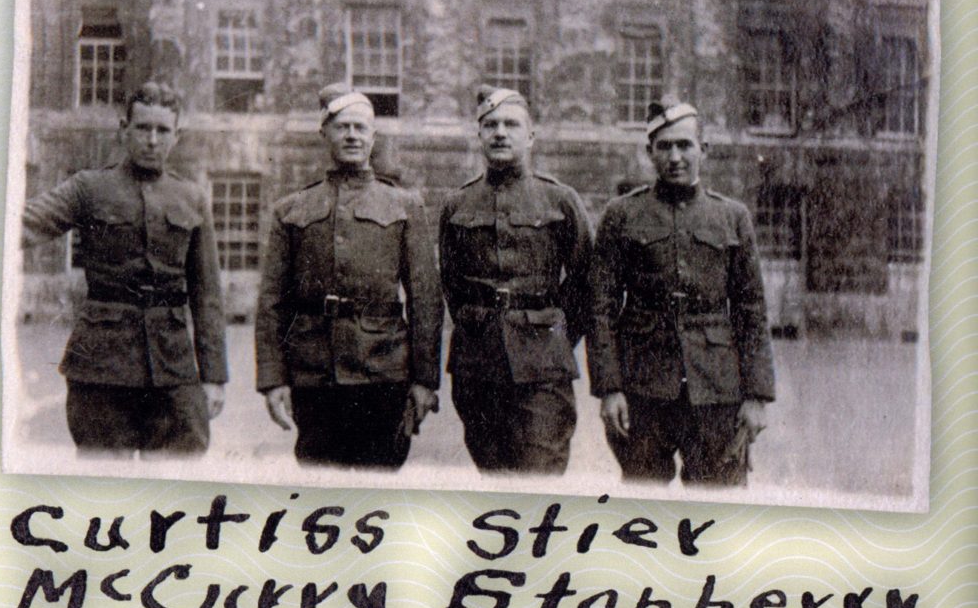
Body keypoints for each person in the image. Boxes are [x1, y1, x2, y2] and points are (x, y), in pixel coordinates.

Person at [21, 82, 228, 456]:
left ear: (176, 136)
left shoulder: (192, 198)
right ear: (123, 129)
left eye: (162, 130)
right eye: (143, 128)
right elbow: (23, 224)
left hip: (172, 367)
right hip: (101, 366)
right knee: (101, 483)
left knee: (177, 481)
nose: (152, 140)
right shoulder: (89, 188)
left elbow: (207, 295)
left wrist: (214, 377)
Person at [255, 84, 443, 469]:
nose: (352, 136)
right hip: (314, 377)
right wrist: (273, 380)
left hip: (384, 374)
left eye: (361, 127)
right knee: (319, 488)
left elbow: (425, 299)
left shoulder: (405, 205)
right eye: (342, 127)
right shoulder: (291, 209)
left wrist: (425, 381)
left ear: (374, 136)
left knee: (380, 486)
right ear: (324, 133)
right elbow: (272, 301)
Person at [587, 101, 775, 485]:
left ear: (703, 150)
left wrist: (757, 396)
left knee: (717, 503)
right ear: (650, 152)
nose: (675, 157)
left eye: (685, 145)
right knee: (641, 501)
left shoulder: (732, 217)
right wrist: (609, 389)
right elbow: (600, 308)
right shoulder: (621, 215)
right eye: (665, 146)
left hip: (716, 390)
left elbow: (751, 309)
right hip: (643, 389)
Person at [439, 86, 593, 475]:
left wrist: (552, 335)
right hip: (477, 366)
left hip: (543, 368)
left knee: (540, 474)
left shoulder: (560, 201)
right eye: (490, 125)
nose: (500, 133)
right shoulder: (457, 205)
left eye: (511, 124)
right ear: (479, 136)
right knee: (491, 476)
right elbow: (452, 286)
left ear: (531, 136)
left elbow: (584, 284)